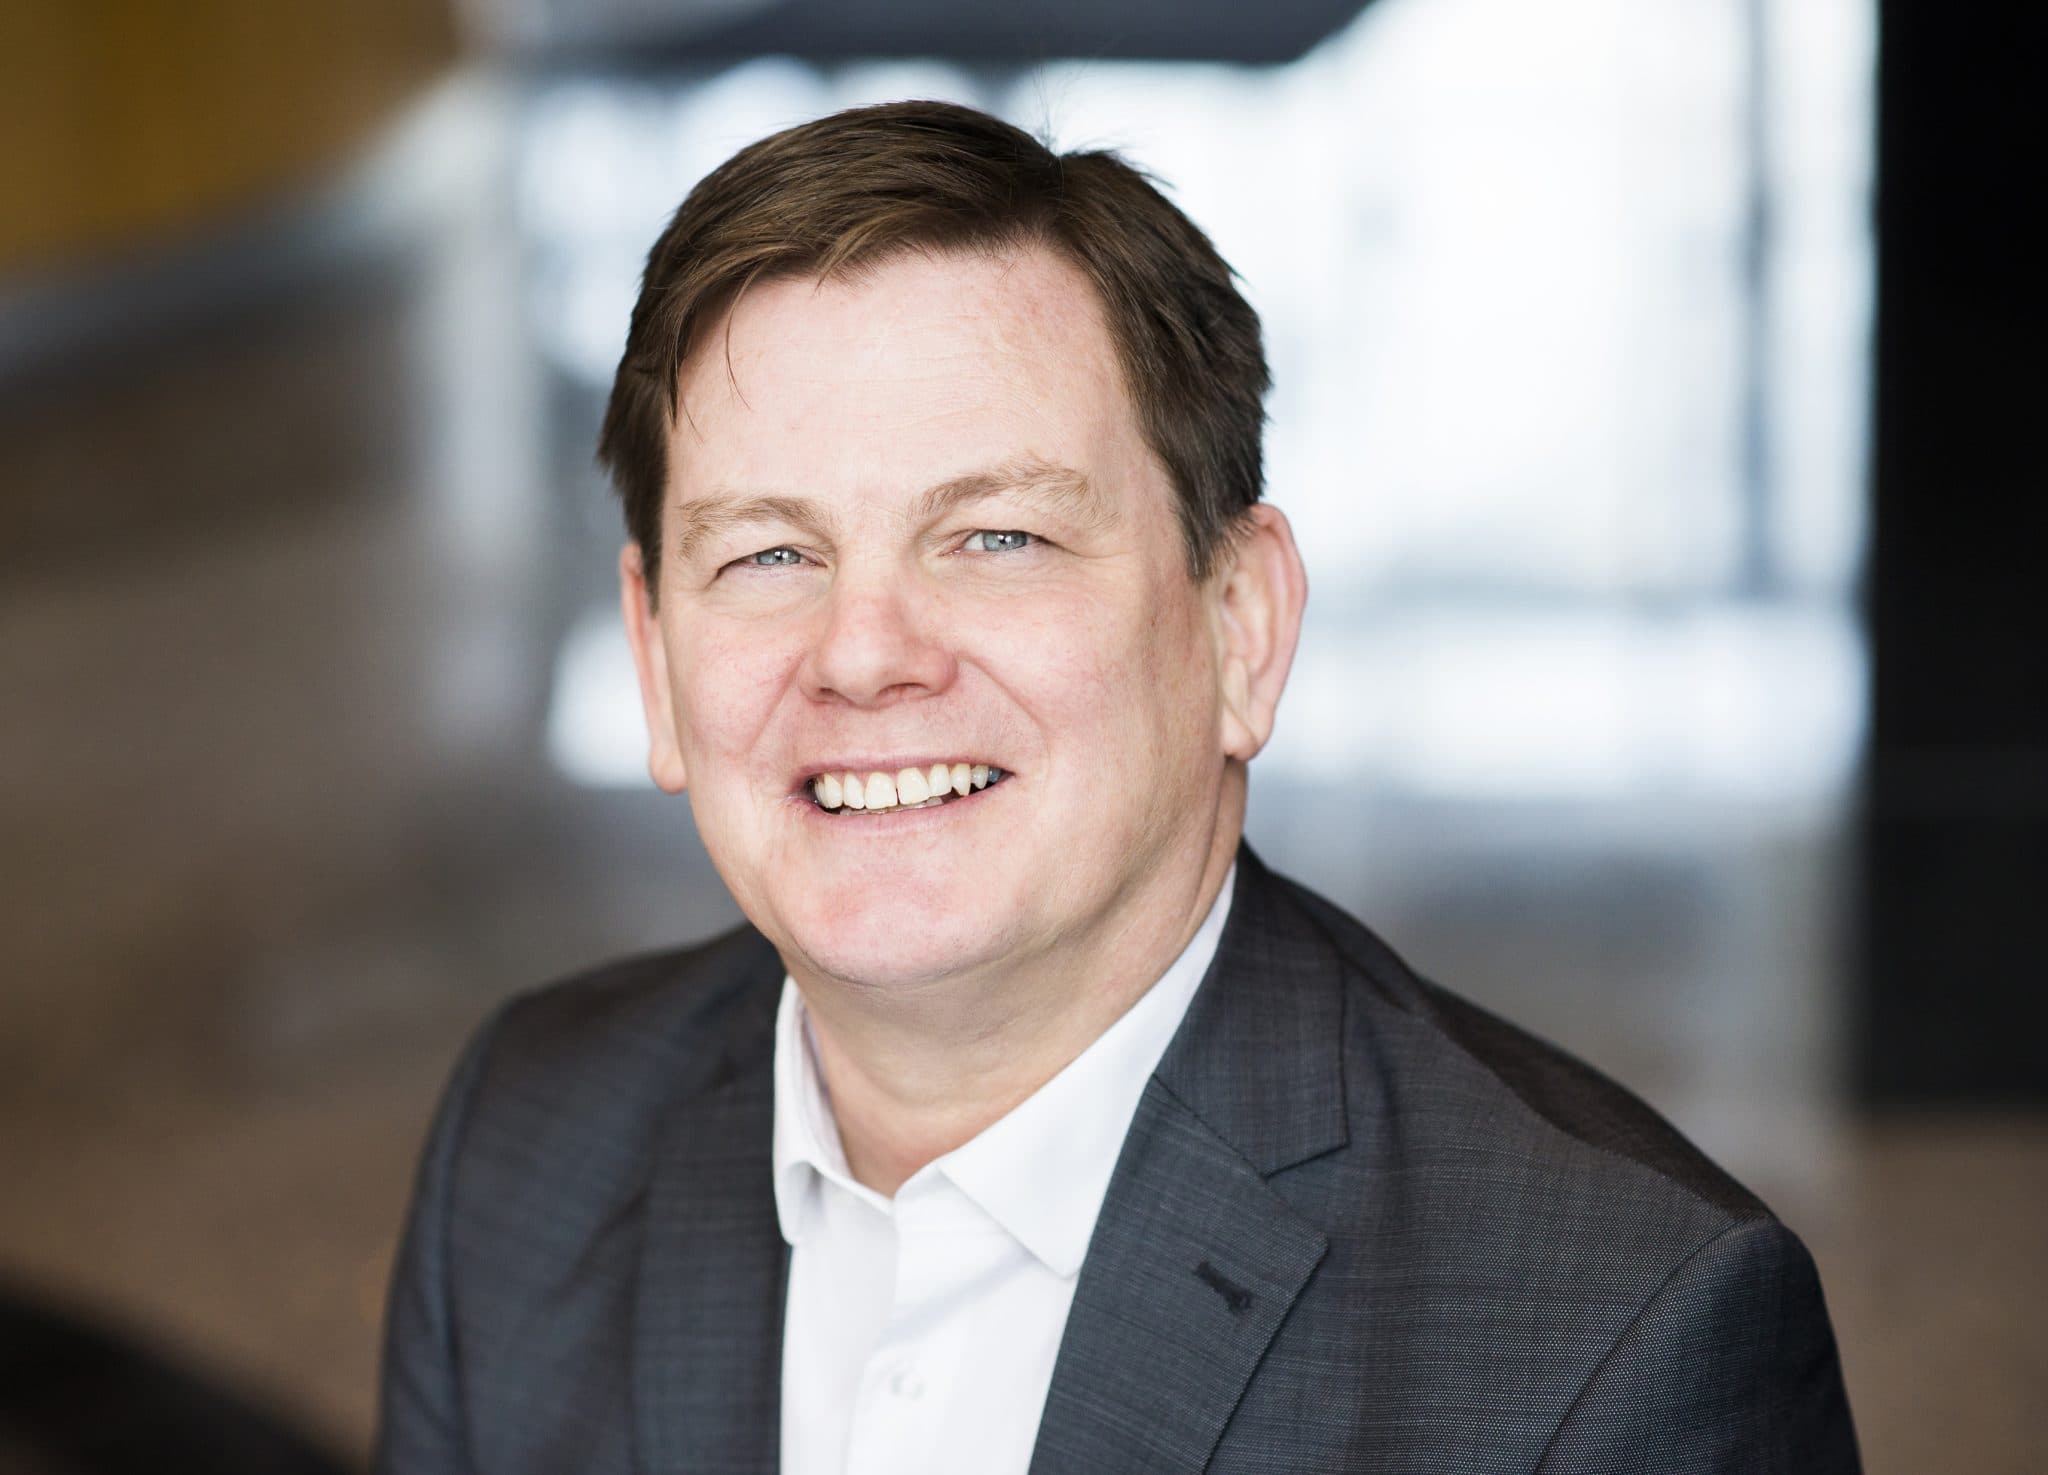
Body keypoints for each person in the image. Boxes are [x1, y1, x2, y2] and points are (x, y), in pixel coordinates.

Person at [375, 100, 1860, 1474]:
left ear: (1240, 627)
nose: (864, 653)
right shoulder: (528, 1138)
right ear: (654, 660)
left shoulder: (1619, 1337)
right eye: (770, 553)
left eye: (997, 537)